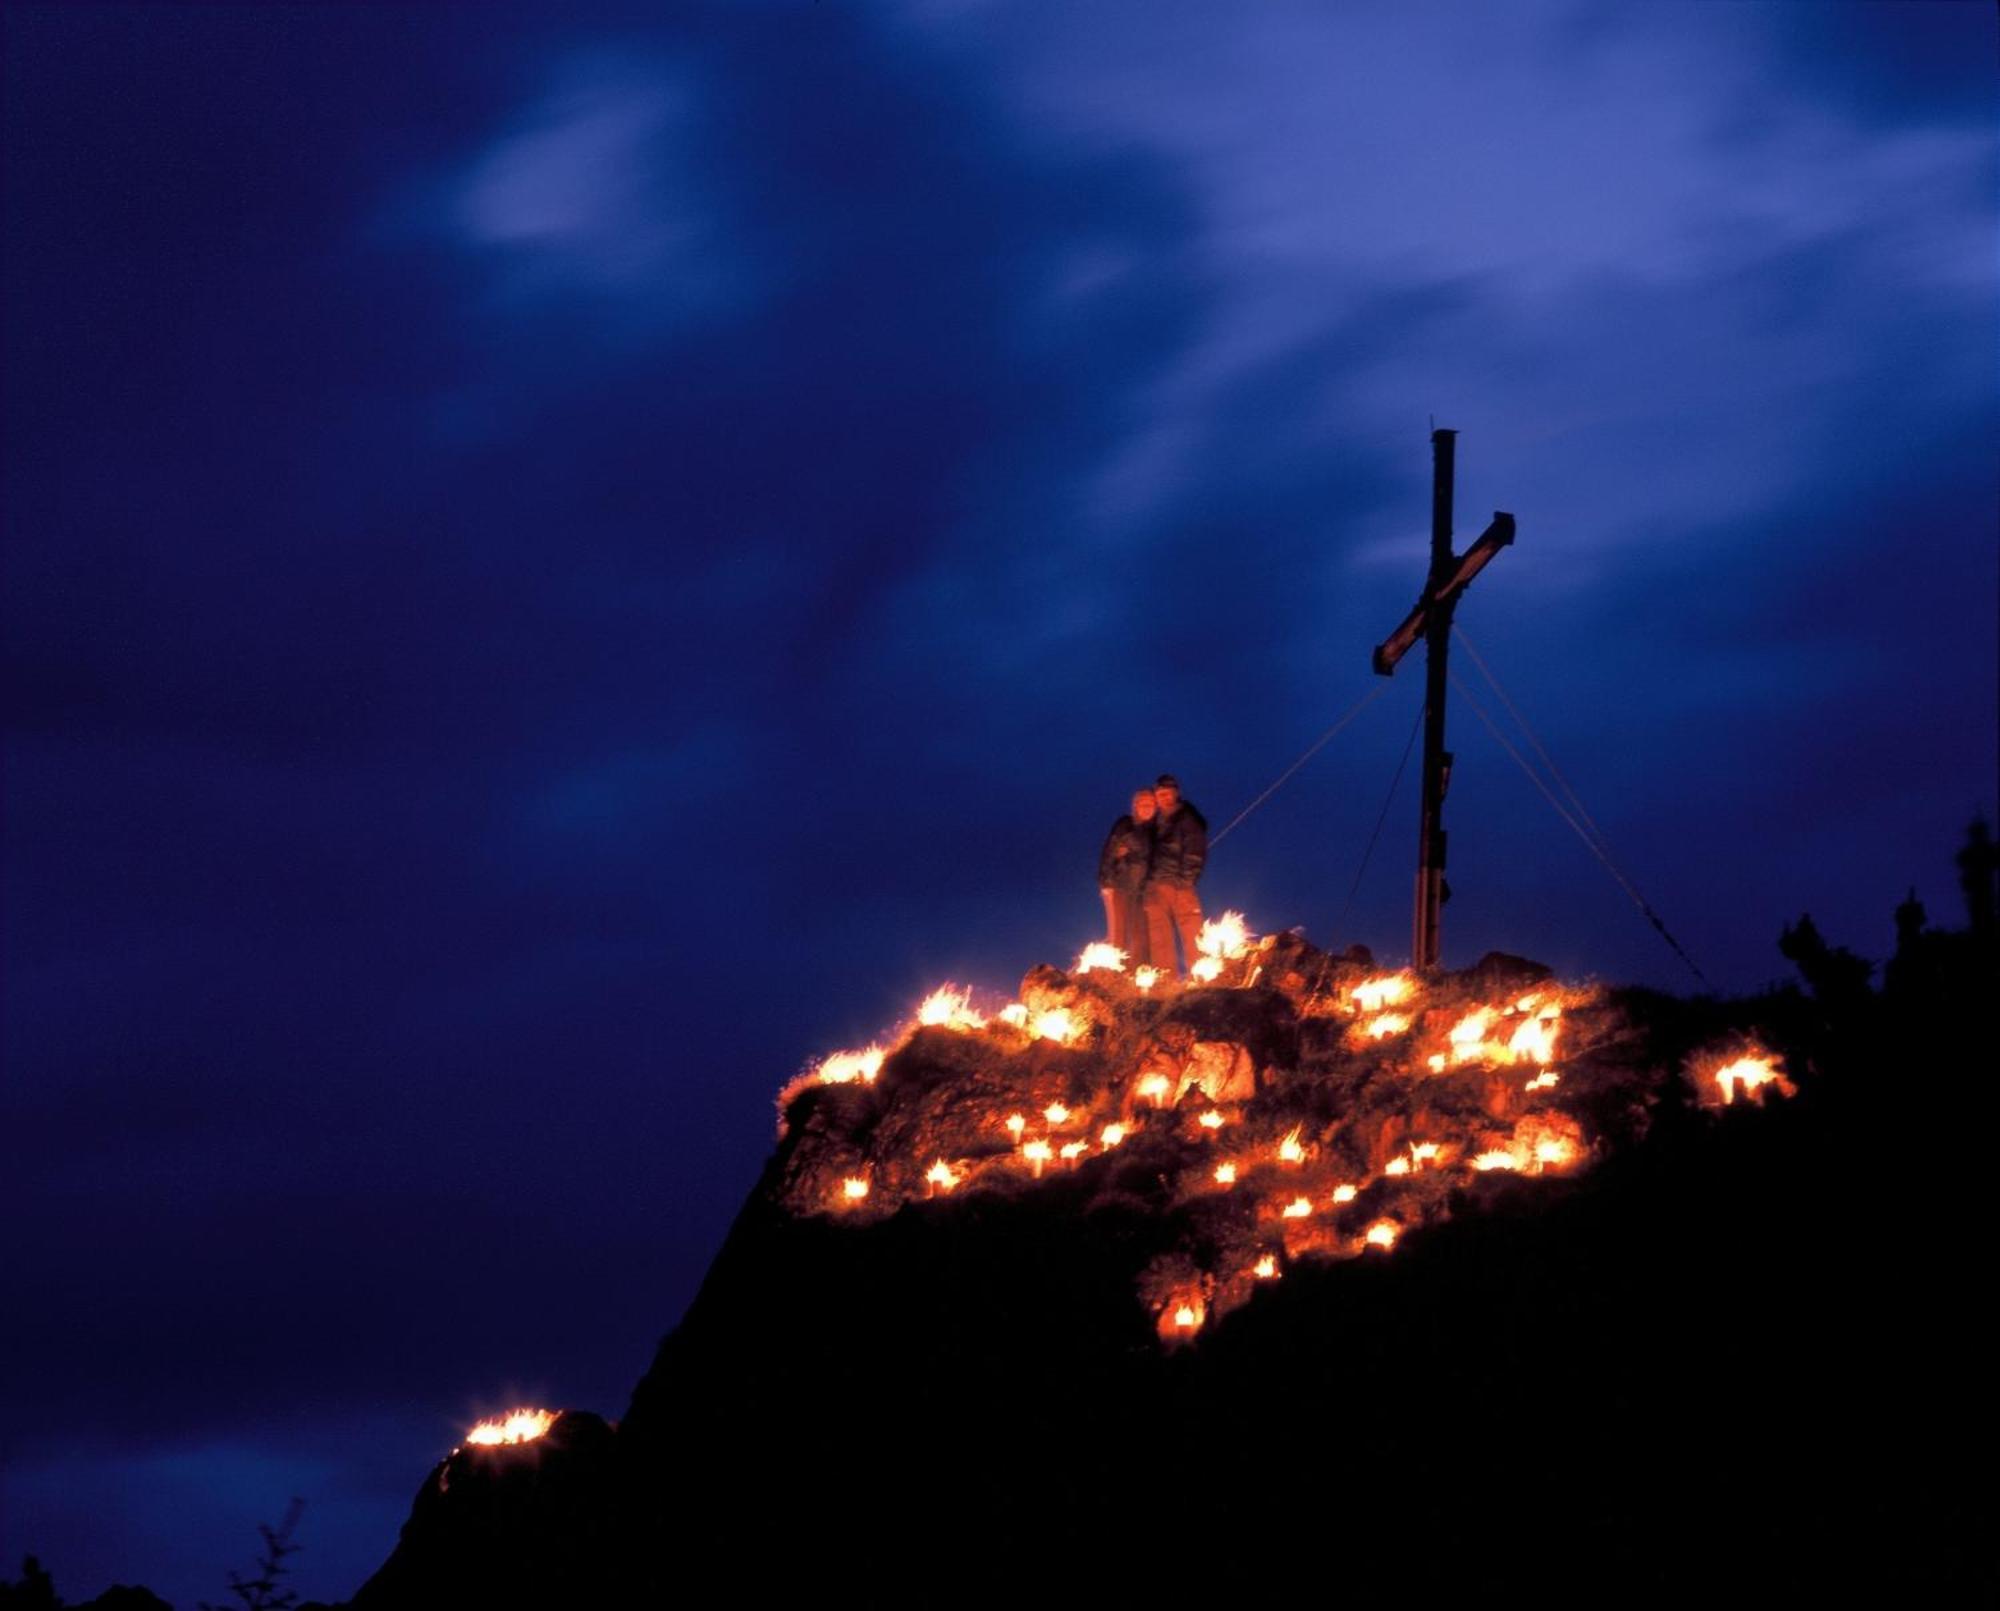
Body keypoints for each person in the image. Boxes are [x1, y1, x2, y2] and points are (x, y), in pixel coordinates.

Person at [1142, 773, 1208, 975]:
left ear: (1176, 794)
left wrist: (1186, 880)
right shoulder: (1155, 822)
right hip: (1155, 886)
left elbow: (1196, 851)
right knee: (1159, 938)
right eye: (1160, 794)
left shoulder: (1186, 817)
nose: (1163, 797)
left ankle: (1201, 977)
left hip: (1179, 885)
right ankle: (1165, 982)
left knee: (1192, 933)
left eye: (1167, 793)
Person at [1097, 789, 1156, 965]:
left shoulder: (1154, 831)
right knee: (1118, 934)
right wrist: (1106, 882)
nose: (1147, 808)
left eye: (1151, 804)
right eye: (1143, 803)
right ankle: (1115, 975)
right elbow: (1110, 851)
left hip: (1141, 891)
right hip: (1119, 885)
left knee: (1140, 935)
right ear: (1135, 806)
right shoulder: (1125, 824)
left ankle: (1139, 975)